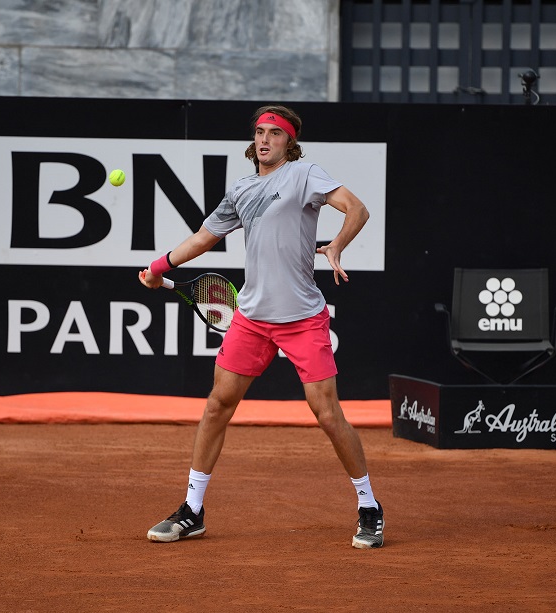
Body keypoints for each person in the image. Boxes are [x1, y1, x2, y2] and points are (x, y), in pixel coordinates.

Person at [138, 105, 384, 548]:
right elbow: (204, 237)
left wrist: (336, 247)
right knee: (217, 405)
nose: (265, 139)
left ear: (290, 142)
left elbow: (358, 210)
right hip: (252, 319)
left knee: (327, 414)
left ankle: (369, 506)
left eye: (274, 133)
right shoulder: (242, 190)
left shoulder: (305, 174)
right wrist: (157, 266)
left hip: (303, 319)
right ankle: (192, 510)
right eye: (259, 133)